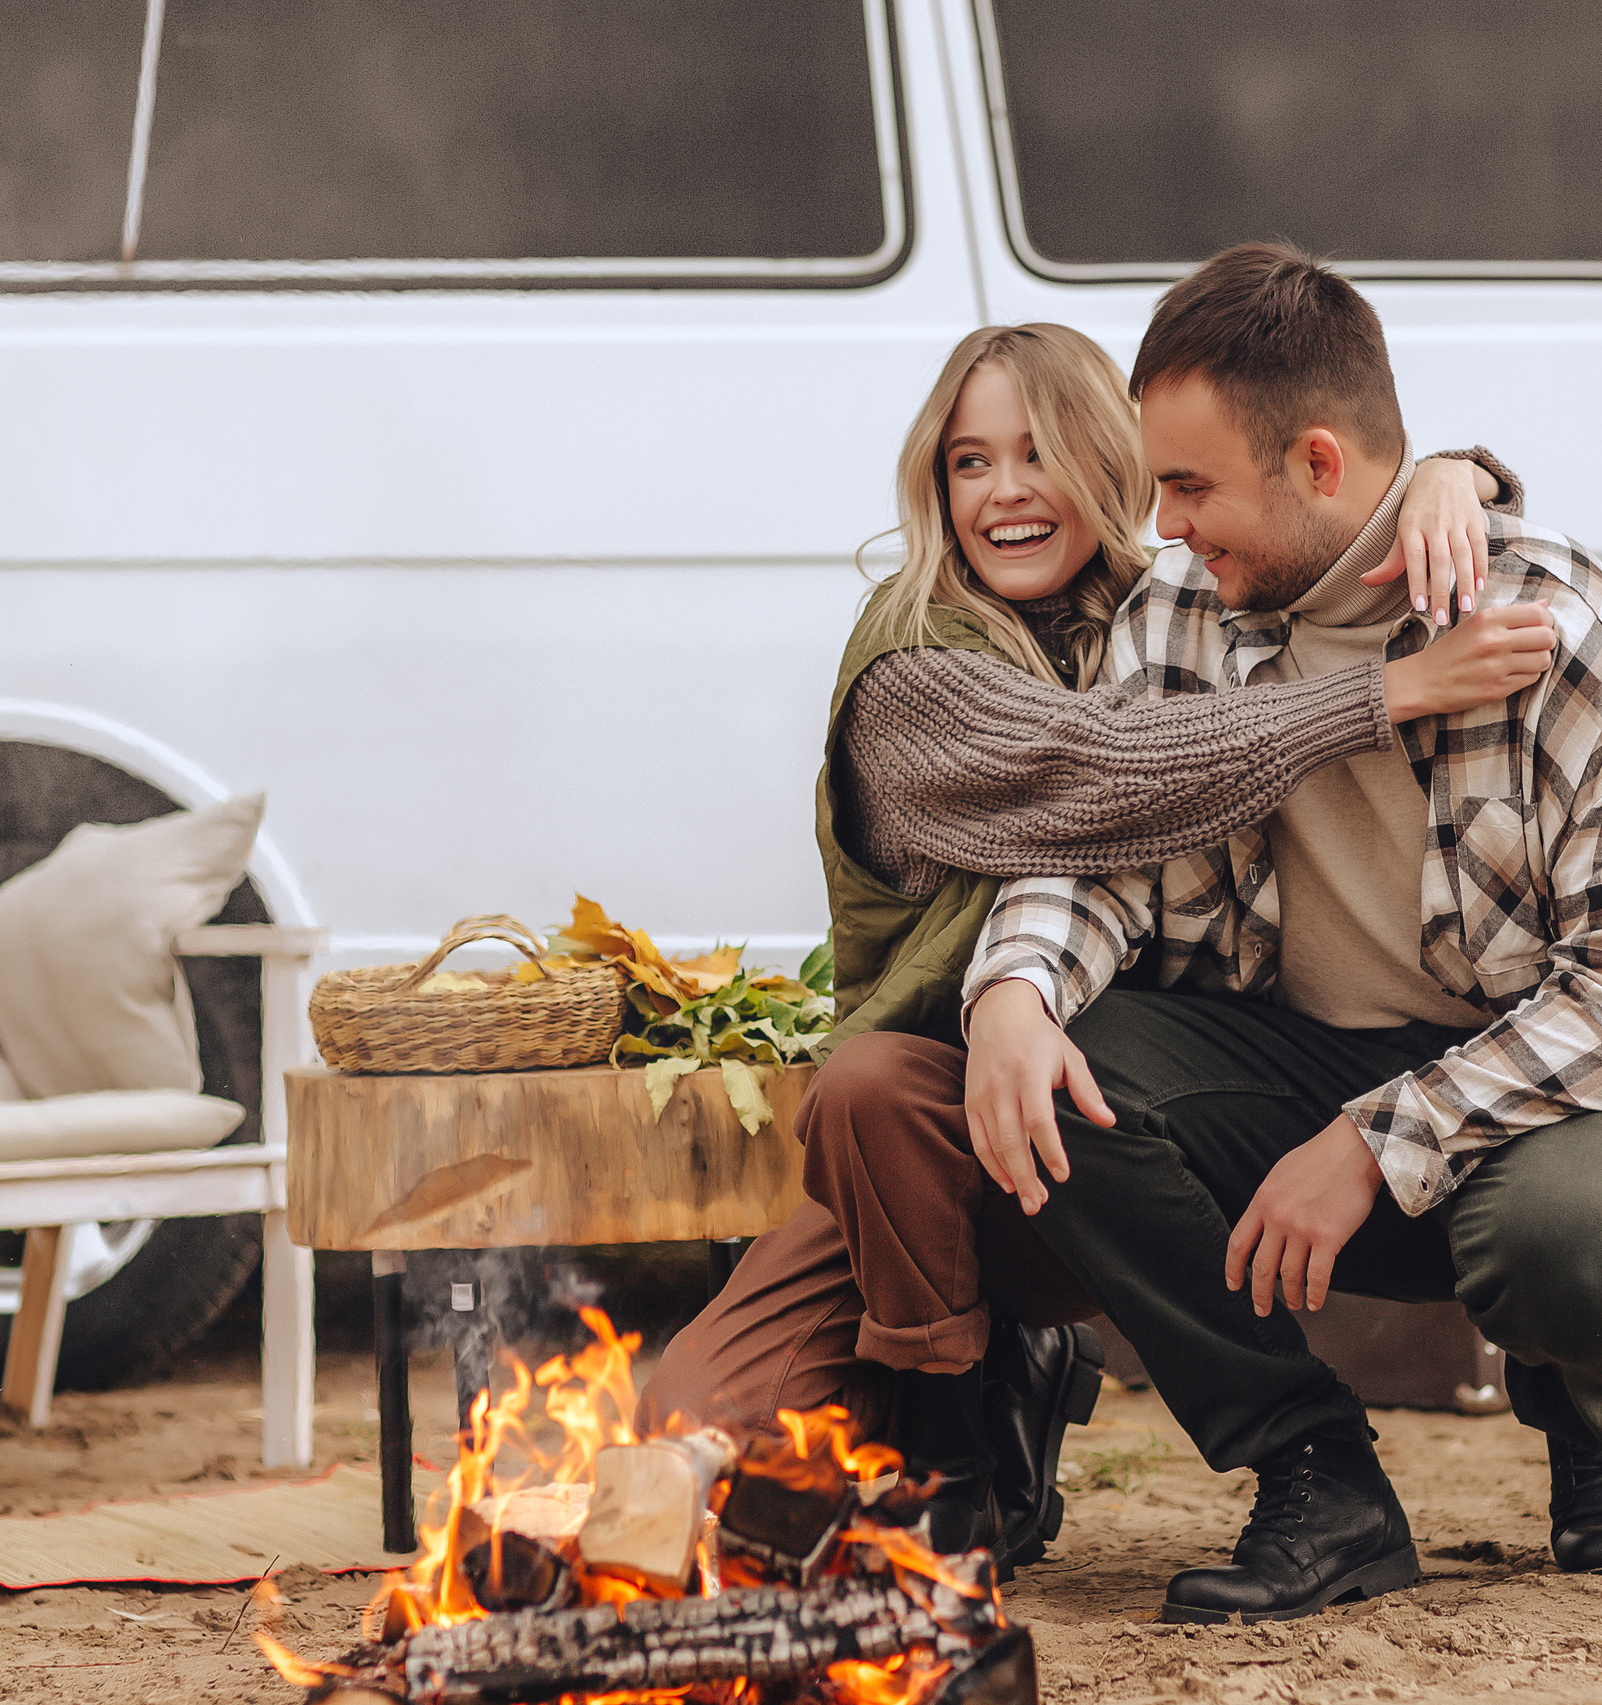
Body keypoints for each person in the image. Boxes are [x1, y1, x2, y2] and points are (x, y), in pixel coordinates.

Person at [943, 242, 1602, 1621]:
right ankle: (1315, 1471)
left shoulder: (1551, 625)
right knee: (1062, 1068)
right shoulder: (1181, 614)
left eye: (1192, 486)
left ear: (1321, 466)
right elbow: (1101, 838)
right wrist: (1016, 989)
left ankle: (1587, 1400)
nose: (1161, 526)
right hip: (1298, 1061)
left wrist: (1372, 1140)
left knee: (1570, 1244)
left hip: (1560, 1092)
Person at [641, 318, 1555, 1573]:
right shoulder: (913, 671)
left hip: (1112, 1119)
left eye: (1041, 451)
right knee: (678, 1445)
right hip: (921, 1142)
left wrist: (1453, 475)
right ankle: (966, 1416)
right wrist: (1389, 693)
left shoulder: (1163, 601)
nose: (1005, 491)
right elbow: (1115, 771)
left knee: (1067, 1103)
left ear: (1120, 468)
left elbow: (1311, 503)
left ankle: (977, 1433)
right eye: (968, 462)